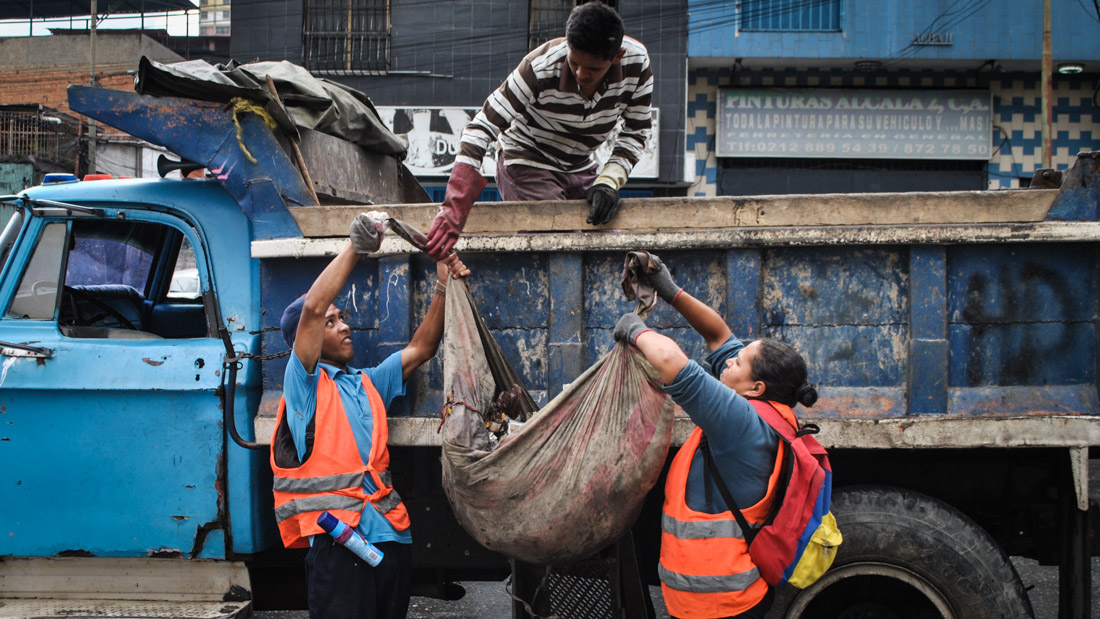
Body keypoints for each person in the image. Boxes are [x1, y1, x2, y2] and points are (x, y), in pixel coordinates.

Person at [269, 216, 469, 618]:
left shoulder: (367, 383)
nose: (345, 327)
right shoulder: (303, 386)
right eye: (332, 322)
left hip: (391, 537)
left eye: (341, 318)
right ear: (305, 341)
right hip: (339, 543)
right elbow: (311, 308)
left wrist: (444, 282)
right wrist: (356, 247)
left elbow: (421, 348)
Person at [613, 255, 818, 619]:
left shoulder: (740, 422)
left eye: (739, 361)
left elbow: (673, 365)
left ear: (756, 387)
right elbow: (718, 335)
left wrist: (635, 329)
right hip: (725, 594)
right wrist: (670, 291)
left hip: (719, 604)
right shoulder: (768, 411)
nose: (729, 360)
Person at [424, 0, 654, 259]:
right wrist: (456, 203)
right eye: (574, 62)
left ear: (617, 57)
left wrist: (608, 182)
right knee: (561, 248)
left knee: (611, 251)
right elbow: (480, 127)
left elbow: (636, 131)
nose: (580, 74)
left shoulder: (637, 64)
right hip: (527, 159)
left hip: (579, 165)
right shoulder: (539, 66)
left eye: (592, 70)